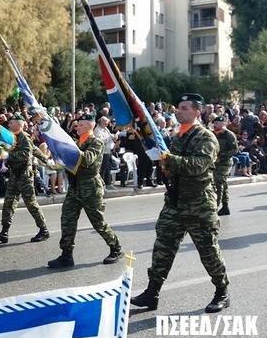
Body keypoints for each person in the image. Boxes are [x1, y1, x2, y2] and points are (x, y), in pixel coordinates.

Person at [131, 94, 229, 313]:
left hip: (199, 205)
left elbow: (198, 166)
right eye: (178, 108)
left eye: (184, 108)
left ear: (196, 112)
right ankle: (152, 292)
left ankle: (222, 291)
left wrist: (168, 159)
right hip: (175, 202)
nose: (179, 111)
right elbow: (171, 166)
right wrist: (163, 162)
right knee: (162, 248)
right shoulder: (178, 137)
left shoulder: (205, 137)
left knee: (208, 251)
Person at [48, 114, 123, 267]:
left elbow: (87, 160)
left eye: (81, 125)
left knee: (98, 222)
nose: (78, 127)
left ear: (90, 125)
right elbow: (68, 163)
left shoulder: (96, 142)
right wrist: (57, 162)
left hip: (90, 188)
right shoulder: (75, 143)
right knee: (67, 220)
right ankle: (66, 255)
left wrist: (69, 151)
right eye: (77, 125)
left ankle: (116, 248)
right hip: (75, 187)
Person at [0, 115, 50, 244]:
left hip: (24, 175)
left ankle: (44, 230)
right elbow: (34, 149)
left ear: (19, 124)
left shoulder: (24, 137)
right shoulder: (12, 137)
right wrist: (45, 158)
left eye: (11, 123)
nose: (9, 125)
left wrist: (8, 155)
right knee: (9, 203)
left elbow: (26, 154)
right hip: (15, 174)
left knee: (31, 203)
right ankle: (4, 232)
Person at [212, 116, 237, 216]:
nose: (215, 125)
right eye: (215, 123)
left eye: (217, 123)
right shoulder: (212, 134)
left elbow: (234, 150)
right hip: (214, 163)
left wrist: (221, 157)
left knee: (218, 181)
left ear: (223, 124)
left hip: (225, 163)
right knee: (223, 184)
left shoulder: (229, 135)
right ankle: (225, 206)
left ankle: (215, 207)